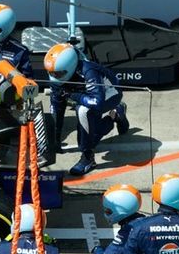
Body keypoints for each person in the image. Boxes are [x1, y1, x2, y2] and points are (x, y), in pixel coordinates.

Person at [44, 43, 129, 176]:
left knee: (83, 111)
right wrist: (54, 141)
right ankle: (117, 114)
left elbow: (97, 102)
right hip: (89, 96)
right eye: (51, 72)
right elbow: (56, 106)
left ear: (70, 66)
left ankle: (88, 158)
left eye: (58, 73)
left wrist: (74, 95)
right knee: (89, 133)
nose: (54, 76)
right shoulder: (58, 77)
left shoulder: (89, 71)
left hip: (110, 93)